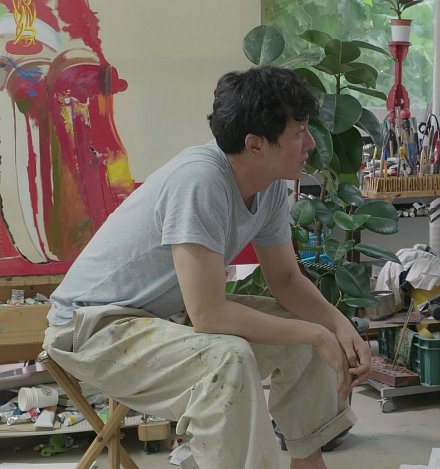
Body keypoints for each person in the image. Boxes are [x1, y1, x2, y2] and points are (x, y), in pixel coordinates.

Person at [43, 66, 370, 469]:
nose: (311, 142)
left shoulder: (268, 185)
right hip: (91, 328)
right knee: (229, 358)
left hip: (161, 317)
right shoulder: (200, 180)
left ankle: (308, 462)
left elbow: (286, 279)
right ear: (255, 144)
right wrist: (318, 333)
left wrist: (337, 326)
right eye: (299, 132)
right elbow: (210, 315)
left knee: (306, 331)